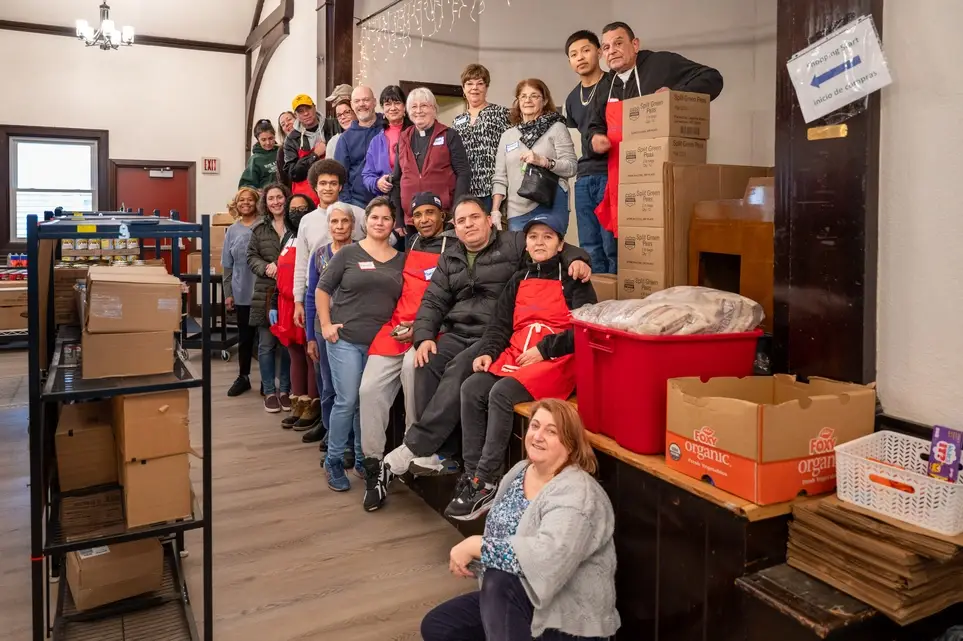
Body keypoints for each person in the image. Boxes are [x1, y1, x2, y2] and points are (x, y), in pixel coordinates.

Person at [383, 196, 591, 477]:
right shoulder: (451, 256)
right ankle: (441, 450)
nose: (469, 225)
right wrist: (424, 336)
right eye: (461, 221)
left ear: (489, 219)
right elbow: (432, 302)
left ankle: (420, 446)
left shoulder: (514, 243)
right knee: (426, 360)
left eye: (474, 218)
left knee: (460, 369)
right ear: (454, 228)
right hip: (456, 332)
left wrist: (578, 259)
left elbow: (549, 245)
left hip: (493, 333)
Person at [421, 399, 619, 641]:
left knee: (500, 580)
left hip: (566, 615)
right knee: (438, 626)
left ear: (570, 444)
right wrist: (475, 558)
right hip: (517, 598)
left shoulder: (578, 493)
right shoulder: (520, 472)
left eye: (551, 431)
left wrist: (476, 545)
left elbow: (547, 560)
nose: (537, 436)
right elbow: (499, 539)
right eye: (535, 426)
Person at [446, 215, 597, 520]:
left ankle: (488, 479)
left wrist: (544, 349)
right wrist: (488, 352)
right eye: (533, 237)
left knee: (501, 392)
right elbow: (500, 325)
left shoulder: (573, 279)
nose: (539, 243)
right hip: (518, 351)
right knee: (472, 386)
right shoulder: (519, 279)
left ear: (560, 244)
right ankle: (473, 475)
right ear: (525, 243)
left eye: (547, 237)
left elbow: (585, 330)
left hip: (557, 359)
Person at [358, 192, 455, 512]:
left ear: (443, 215)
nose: (425, 219)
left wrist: (422, 326)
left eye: (431, 212)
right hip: (394, 329)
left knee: (414, 368)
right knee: (369, 388)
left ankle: (414, 450)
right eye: (419, 214)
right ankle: (373, 465)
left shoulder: (454, 247)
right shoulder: (408, 244)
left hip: (430, 331)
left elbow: (452, 299)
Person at [585, 22, 724, 234]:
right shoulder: (606, 84)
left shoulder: (661, 63)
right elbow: (594, 124)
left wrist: (675, 94)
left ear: (635, 44)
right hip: (622, 178)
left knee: (666, 232)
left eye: (618, 43)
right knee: (623, 241)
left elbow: (713, 78)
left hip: (663, 171)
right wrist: (595, 138)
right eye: (606, 47)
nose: (611, 51)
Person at [317, 197, 407, 491]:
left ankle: (360, 459)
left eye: (386, 218)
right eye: (375, 217)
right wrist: (326, 325)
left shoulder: (401, 259)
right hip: (345, 339)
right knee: (347, 400)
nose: (380, 222)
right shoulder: (348, 254)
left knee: (364, 403)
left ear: (393, 224)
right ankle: (333, 461)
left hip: (381, 346)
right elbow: (322, 289)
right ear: (365, 222)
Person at [303, 203, 358, 449]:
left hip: (352, 326)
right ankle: (331, 431)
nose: (339, 226)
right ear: (328, 226)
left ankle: (350, 440)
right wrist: (310, 337)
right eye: (334, 222)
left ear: (352, 225)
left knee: (350, 388)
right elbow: (311, 295)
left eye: (344, 222)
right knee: (327, 385)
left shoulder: (361, 252)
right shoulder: (320, 254)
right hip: (321, 328)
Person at [492, 78, 577, 234]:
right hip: (517, 210)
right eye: (523, 96)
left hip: (551, 203)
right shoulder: (507, 136)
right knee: (520, 255)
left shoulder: (557, 128)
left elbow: (571, 167)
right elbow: (500, 177)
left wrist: (543, 161)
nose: (528, 100)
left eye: (534, 96)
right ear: (517, 101)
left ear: (544, 101)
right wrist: (495, 210)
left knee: (548, 255)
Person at [564, 30, 616, 274]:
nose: (580, 58)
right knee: (589, 245)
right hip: (583, 178)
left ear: (598, 51)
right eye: (573, 54)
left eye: (585, 50)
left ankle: (618, 301)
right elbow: (574, 140)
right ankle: (598, 301)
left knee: (611, 244)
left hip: (611, 173)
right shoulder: (571, 99)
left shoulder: (614, 84)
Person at [293, 159, 366, 330]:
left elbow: (387, 239)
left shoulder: (358, 214)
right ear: (315, 186)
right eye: (323, 183)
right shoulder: (306, 221)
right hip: (315, 295)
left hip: (354, 296)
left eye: (333, 183)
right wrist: (298, 300)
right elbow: (301, 263)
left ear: (340, 186)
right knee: (316, 348)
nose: (328, 188)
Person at [269, 193, 321, 431]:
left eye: (302, 209)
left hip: (305, 303)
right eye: (293, 209)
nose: (297, 213)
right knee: (294, 355)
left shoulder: (314, 235)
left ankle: (312, 407)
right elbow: (280, 273)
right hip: (284, 304)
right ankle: (297, 403)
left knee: (311, 355)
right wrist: (273, 304)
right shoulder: (288, 237)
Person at [390, 87, 471, 239]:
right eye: (414, 107)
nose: (419, 111)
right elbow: (396, 179)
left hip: (444, 217)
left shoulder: (449, 135)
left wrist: (457, 211)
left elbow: (463, 173)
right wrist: (399, 219)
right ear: (408, 111)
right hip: (413, 219)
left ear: (434, 109)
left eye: (424, 106)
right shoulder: (403, 138)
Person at [247, 183, 293, 413]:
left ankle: (285, 390)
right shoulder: (259, 229)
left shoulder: (296, 226)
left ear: (286, 198)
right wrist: (265, 267)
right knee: (266, 345)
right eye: (271, 199)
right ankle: (269, 390)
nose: (275, 202)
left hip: (289, 294)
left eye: (279, 197)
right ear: (265, 203)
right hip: (265, 292)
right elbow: (251, 256)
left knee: (286, 344)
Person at [450, 64, 511, 213]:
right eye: (469, 84)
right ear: (463, 88)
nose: (474, 88)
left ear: (486, 87)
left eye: (480, 83)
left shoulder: (502, 114)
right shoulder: (457, 121)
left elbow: (510, 149)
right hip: (465, 189)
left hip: (492, 189)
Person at [223, 187, 261, 397]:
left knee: (266, 341)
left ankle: (270, 384)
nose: (245, 203)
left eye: (249, 200)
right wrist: (229, 293)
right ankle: (243, 377)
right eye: (241, 200)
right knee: (245, 339)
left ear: (256, 202)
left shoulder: (264, 226)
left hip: (264, 292)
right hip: (241, 291)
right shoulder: (231, 231)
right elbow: (227, 266)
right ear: (236, 204)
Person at [363, 85, 412, 241]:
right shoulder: (376, 140)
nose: (392, 108)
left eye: (397, 103)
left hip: (412, 201)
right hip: (387, 204)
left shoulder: (415, 133)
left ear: (405, 106)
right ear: (382, 109)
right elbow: (367, 175)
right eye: (387, 104)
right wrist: (378, 182)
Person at [283, 94, 340, 205]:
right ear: (296, 115)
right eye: (300, 111)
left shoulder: (334, 125)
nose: (305, 113)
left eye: (308, 108)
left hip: (335, 193)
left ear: (314, 107)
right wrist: (314, 155)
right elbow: (293, 174)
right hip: (307, 200)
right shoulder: (291, 139)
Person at [335, 85, 384, 208]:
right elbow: (340, 176)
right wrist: (347, 205)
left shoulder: (387, 127)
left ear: (374, 102)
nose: (362, 104)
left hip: (388, 201)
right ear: (352, 105)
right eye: (357, 101)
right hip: (357, 203)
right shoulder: (345, 139)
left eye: (366, 100)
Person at [239, 119, 280, 190]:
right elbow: (245, 186)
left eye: (270, 138)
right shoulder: (255, 159)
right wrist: (257, 191)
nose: (268, 143)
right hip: (266, 198)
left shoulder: (282, 151)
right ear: (258, 140)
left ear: (274, 136)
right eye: (263, 140)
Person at [275, 111, 296, 187]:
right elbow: (282, 179)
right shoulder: (282, 151)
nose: (287, 124)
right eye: (283, 124)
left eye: (289, 119)